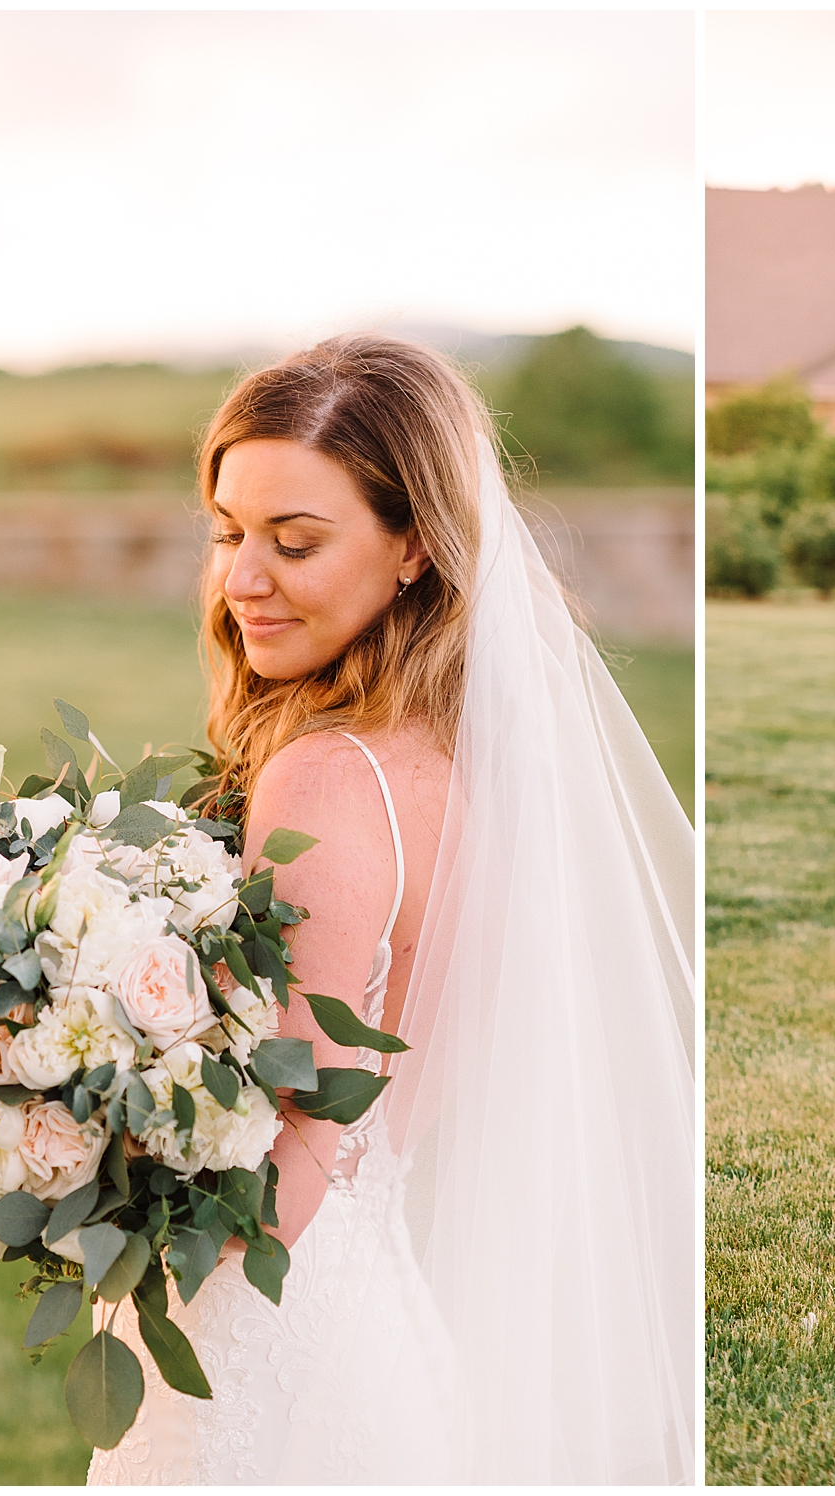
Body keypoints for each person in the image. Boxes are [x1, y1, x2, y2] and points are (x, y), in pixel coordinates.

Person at [87, 335, 695, 1484]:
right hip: (369, 1296)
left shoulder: (328, 776)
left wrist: (63, 1146)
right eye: (228, 532)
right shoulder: (467, 761)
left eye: (295, 541)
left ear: (415, 545)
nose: (241, 581)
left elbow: (299, 1131)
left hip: (256, 1325)